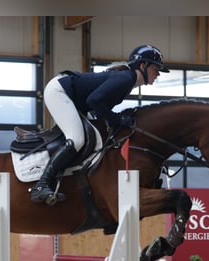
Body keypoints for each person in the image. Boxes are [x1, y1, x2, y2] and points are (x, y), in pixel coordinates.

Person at [29, 44, 169, 205]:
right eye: (156, 68)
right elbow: (94, 101)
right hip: (59, 92)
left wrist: (115, 120)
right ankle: (42, 184)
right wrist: (118, 119)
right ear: (143, 66)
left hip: (74, 99)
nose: (158, 73)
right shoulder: (125, 79)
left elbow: (99, 107)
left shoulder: (127, 81)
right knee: (77, 139)